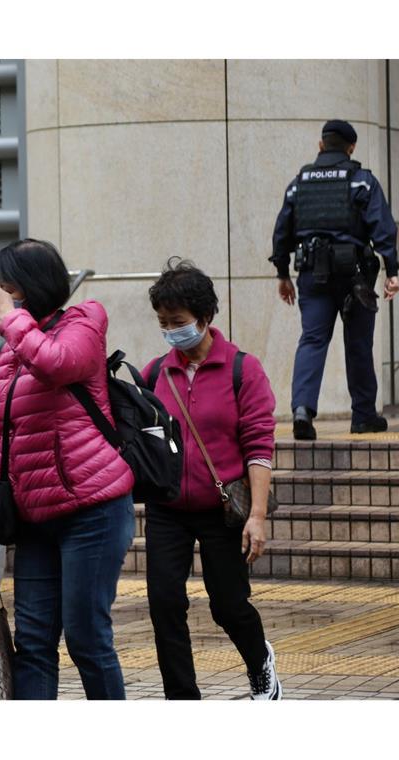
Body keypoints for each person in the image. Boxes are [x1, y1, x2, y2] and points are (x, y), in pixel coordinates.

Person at [0, 238, 134, 700]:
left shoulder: (84, 322)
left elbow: (57, 365)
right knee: (34, 644)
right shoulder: (10, 350)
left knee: (86, 638)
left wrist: (8, 316)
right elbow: (0, 433)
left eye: (7, 284)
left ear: (32, 285)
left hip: (92, 510)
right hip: (35, 515)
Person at [141, 259, 281, 700]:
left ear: (205, 318)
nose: (170, 331)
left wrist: (256, 516)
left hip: (224, 511)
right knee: (165, 604)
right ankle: (182, 700)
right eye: (163, 322)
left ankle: (261, 664)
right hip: (167, 511)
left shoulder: (243, 369)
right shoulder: (154, 373)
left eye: (178, 322)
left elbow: (259, 447)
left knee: (228, 605)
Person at [271, 119, 399, 439]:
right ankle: (363, 417)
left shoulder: (299, 183)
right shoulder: (362, 181)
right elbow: (382, 228)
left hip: (312, 275)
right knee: (358, 344)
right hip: (354, 275)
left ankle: (302, 410)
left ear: (320, 145)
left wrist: (283, 274)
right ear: (351, 147)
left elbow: (282, 231)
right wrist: (392, 272)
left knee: (312, 340)